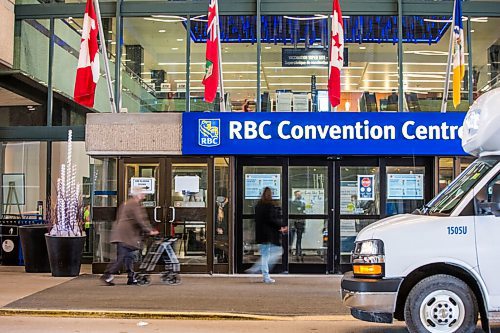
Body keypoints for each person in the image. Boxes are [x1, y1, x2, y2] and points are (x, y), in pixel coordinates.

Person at [100, 187, 159, 286]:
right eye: (142, 193)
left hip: (124, 235)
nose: (144, 195)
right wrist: (150, 230)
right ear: (137, 195)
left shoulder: (126, 203)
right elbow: (140, 219)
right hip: (126, 236)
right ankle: (107, 274)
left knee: (129, 256)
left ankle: (131, 277)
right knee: (122, 257)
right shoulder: (134, 204)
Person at [247, 187, 287, 283]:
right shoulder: (270, 206)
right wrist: (281, 226)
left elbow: (257, 220)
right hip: (268, 235)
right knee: (271, 253)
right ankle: (261, 273)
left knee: (266, 254)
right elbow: (271, 220)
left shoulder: (258, 206)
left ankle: (258, 270)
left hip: (261, 234)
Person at [290, 190, 306, 261]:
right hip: (294, 223)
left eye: (300, 194)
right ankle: (295, 252)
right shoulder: (292, 203)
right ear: (295, 195)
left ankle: (298, 252)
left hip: (300, 223)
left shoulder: (303, 203)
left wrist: (304, 223)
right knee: (292, 239)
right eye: (298, 194)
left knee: (299, 239)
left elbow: (303, 212)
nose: (299, 196)